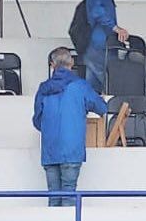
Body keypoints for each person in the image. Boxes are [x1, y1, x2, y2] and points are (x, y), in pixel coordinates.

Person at [33, 47, 107, 206]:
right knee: (69, 196)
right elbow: (102, 108)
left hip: (50, 150)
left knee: (53, 198)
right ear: (71, 63)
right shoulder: (80, 86)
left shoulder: (43, 88)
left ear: (52, 65)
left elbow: (37, 121)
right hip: (72, 150)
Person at [82, 0, 129, 93]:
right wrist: (115, 28)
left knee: (92, 86)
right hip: (100, 44)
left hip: (97, 43)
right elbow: (97, 12)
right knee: (111, 83)